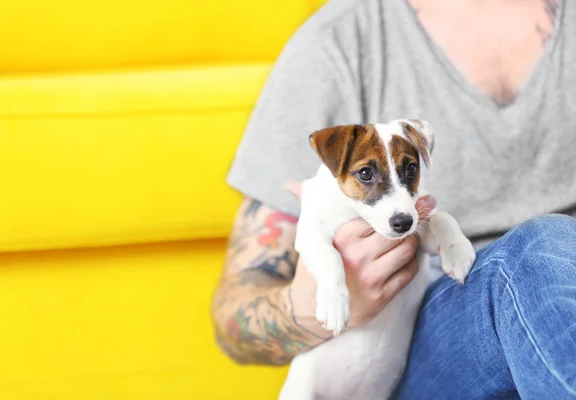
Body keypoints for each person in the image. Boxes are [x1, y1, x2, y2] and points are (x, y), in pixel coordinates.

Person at [211, 0, 576, 398]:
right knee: (541, 249)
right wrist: (312, 304)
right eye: (367, 174)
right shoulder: (340, 40)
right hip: (423, 348)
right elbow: (233, 320)